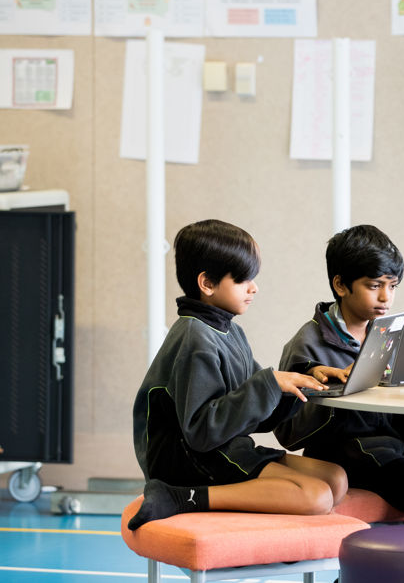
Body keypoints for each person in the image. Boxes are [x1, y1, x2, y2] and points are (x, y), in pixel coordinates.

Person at [128, 220, 347, 530]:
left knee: (335, 479)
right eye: (243, 279)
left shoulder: (230, 332)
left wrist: (306, 379)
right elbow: (202, 431)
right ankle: (180, 497)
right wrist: (270, 383)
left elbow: (256, 412)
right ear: (207, 284)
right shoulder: (195, 338)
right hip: (185, 460)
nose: (254, 287)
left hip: (220, 447)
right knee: (317, 497)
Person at [274, 225, 404, 524]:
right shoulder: (307, 344)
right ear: (340, 285)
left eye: (392, 286)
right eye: (374, 285)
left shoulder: (390, 334)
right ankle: (394, 571)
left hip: (388, 453)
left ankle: (379, 571)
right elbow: (287, 433)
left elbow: (401, 423)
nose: (385, 297)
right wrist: (344, 388)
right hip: (343, 455)